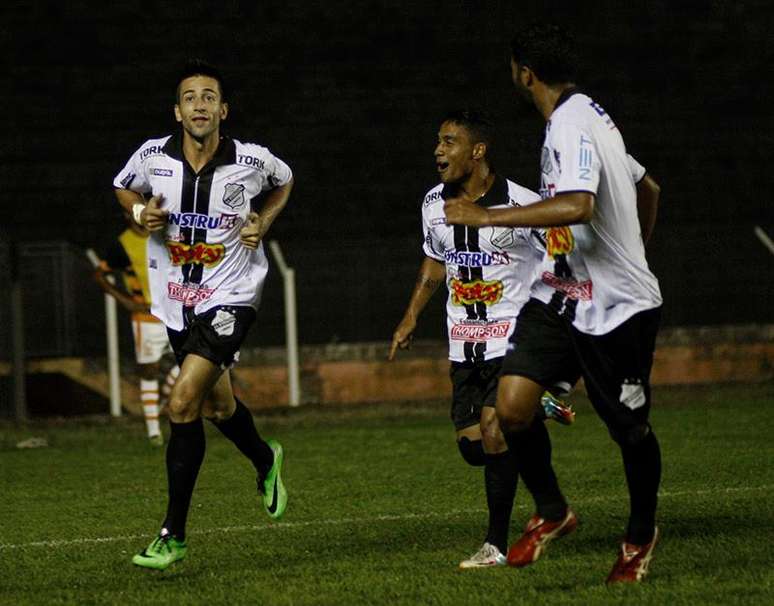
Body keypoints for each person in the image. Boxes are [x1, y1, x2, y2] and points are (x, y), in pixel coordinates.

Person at [444, 25, 663, 584]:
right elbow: (648, 187)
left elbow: (579, 206)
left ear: (524, 73)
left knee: (630, 432)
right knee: (511, 407)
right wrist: (635, 242)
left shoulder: (569, 123)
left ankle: (639, 537)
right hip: (564, 295)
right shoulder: (588, 114)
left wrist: (486, 217)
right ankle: (553, 511)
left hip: (619, 309)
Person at [113, 59, 293, 570]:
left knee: (182, 402)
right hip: (176, 301)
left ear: (223, 110)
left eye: (209, 97)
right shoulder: (153, 157)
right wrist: (138, 213)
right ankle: (265, 459)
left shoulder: (252, 161)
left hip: (233, 295)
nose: (200, 105)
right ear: (177, 111)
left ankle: (173, 533)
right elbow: (123, 186)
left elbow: (285, 182)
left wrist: (264, 219)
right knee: (218, 408)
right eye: (190, 97)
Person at [389, 109, 577, 569]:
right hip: (464, 342)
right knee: (475, 448)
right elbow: (434, 261)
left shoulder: (522, 203)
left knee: (496, 432)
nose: (438, 149)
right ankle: (537, 408)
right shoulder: (433, 203)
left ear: (478, 151)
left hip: (513, 338)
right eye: (438, 140)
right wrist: (410, 316)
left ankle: (495, 543)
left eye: (449, 141)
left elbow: (564, 259)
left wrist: (559, 319)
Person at [93, 211, 180, 446]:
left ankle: (161, 403)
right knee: (149, 371)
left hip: (175, 312)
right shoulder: (123, 244)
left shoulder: (167, 234)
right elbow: (100, 274)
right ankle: (153, 432)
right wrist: (124, 300)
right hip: (145, 316)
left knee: (188, 364)